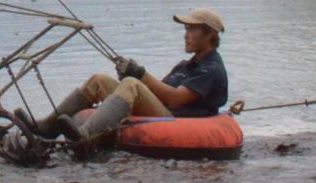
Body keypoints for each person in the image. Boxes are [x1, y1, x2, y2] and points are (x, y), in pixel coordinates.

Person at [31, 9, 230, 153]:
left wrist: (138, 74)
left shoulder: (212, 69)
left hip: (176, 119)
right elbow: (156, 92)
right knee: (99, 80)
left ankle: (85, 137)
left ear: (210, 34)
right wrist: (129, 74)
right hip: (164, 112)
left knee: (132, 85)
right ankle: (48, 128)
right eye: (186, 29)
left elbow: (175, 99)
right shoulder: (185, 66)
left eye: (192, 30)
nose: (186, 35)